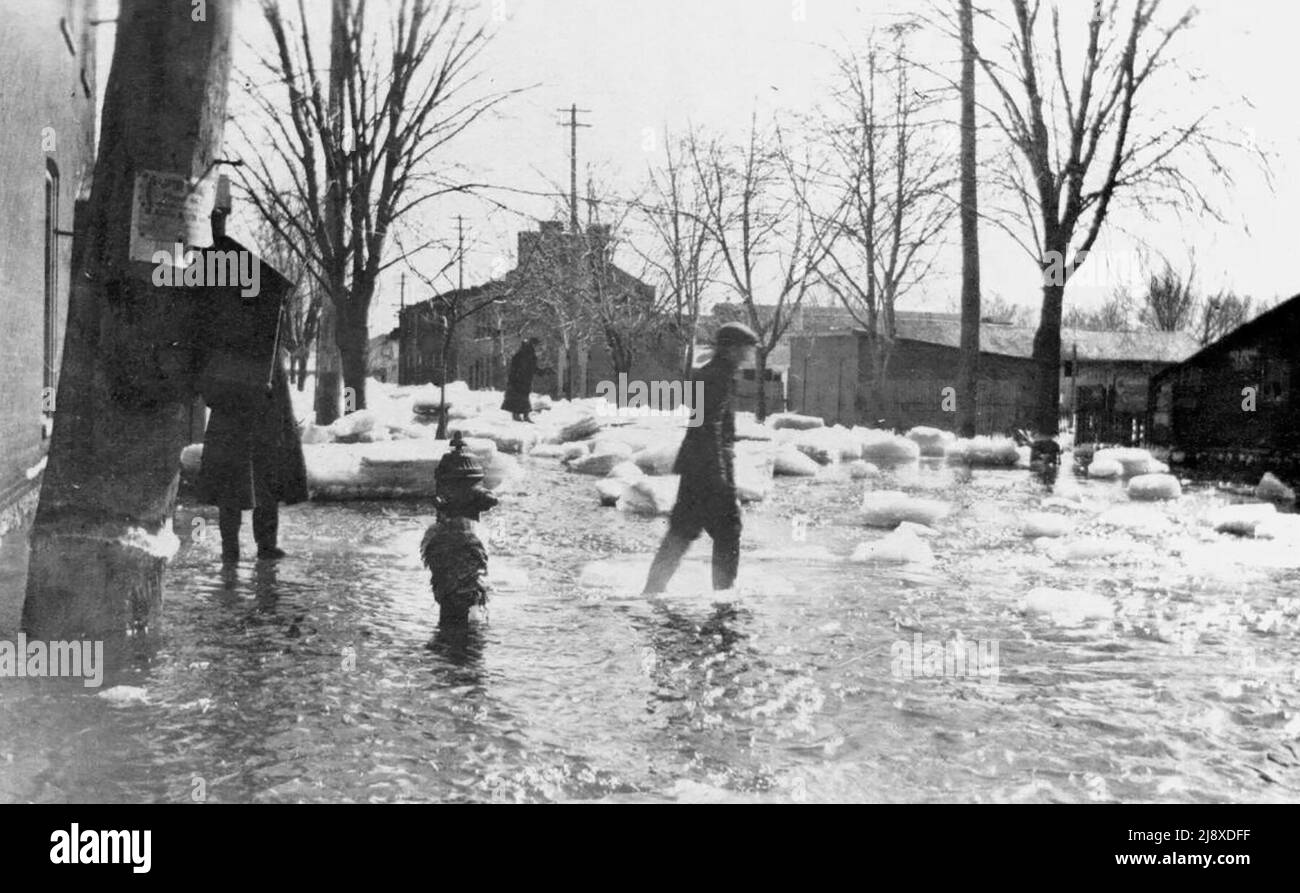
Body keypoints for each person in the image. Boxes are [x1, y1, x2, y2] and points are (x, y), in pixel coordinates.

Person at [642, 322, 759, 595]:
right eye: (745, 348)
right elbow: (710, 426)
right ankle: (724, 593)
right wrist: (720, 476)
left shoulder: (713, 373)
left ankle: (652, 589)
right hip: (709, 468)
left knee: (682, 531)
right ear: (731, 349)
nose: (749, 354)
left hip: (696, 465)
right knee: (728, 530)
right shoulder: (718, 377)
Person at [197, 356, 308, 563]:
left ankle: (264, 545)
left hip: (263, 427)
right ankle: (232, 549)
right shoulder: (227, 353)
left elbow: (279, 399)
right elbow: (209, 391)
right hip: (232, 426)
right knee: (231, 491)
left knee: (265, 485)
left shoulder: (270, 352)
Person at [502, 337, 542, 422]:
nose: (538, 348)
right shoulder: (528, 354)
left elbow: (531, 368)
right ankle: (520, 415)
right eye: (537, 345)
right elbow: (530, 368)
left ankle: (521, 415)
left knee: (521, 397)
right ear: (533, 345)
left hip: (520, 380)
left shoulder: (524, 353)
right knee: (521, 397)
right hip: (521, 380)